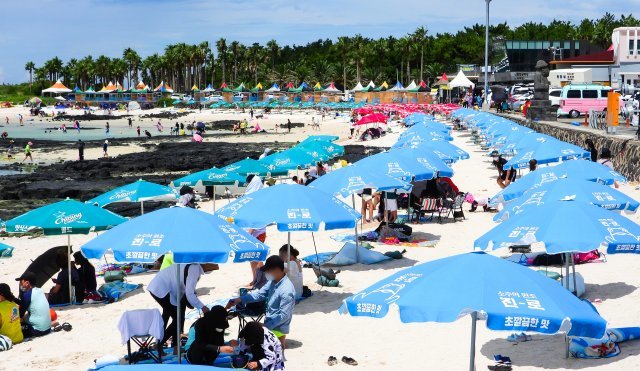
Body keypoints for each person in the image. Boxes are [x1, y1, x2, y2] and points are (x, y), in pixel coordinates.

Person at [227, 256, 295, 351]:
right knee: (248, 330)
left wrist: (266, 326)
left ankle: (279, 341)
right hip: (270, 322)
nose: (266, 274)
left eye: (268, 271)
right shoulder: (273, 281)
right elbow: (259, 294)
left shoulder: (287, 290)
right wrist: (239, 299)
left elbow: (284, 316)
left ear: (276, 270)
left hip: (278, 327)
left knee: (245, 347)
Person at [148, 263, 214, 350]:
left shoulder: (194, 267)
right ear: (205, 262)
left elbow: (188, 290)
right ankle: (159, 344)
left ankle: (175, 347)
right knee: (178, 319)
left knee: (175, 317)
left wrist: (193, 302)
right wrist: (203, 307)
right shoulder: (194, 269)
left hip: (162, 287)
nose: (216, 265)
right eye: (214, 263)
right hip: (161, 288)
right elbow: (189, 294)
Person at [244, 175, 268, 287]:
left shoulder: (255, 198)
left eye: (247, 183)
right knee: (252, 257)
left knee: (257, 257)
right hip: (256, 230)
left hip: (256, 231)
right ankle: (255, 279)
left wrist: (249, 232)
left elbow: (254, 217)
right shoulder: (260, 195)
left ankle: (261, 280)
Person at [15, 272, 51, 338]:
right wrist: (13, 299)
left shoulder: (27, 295)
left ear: (27, 283)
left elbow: (20, 313)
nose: (20, 285)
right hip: (48, 329)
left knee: (15, 328)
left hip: (38, 330)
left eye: (21, 282)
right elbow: (25, 303)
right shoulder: (40, 290)